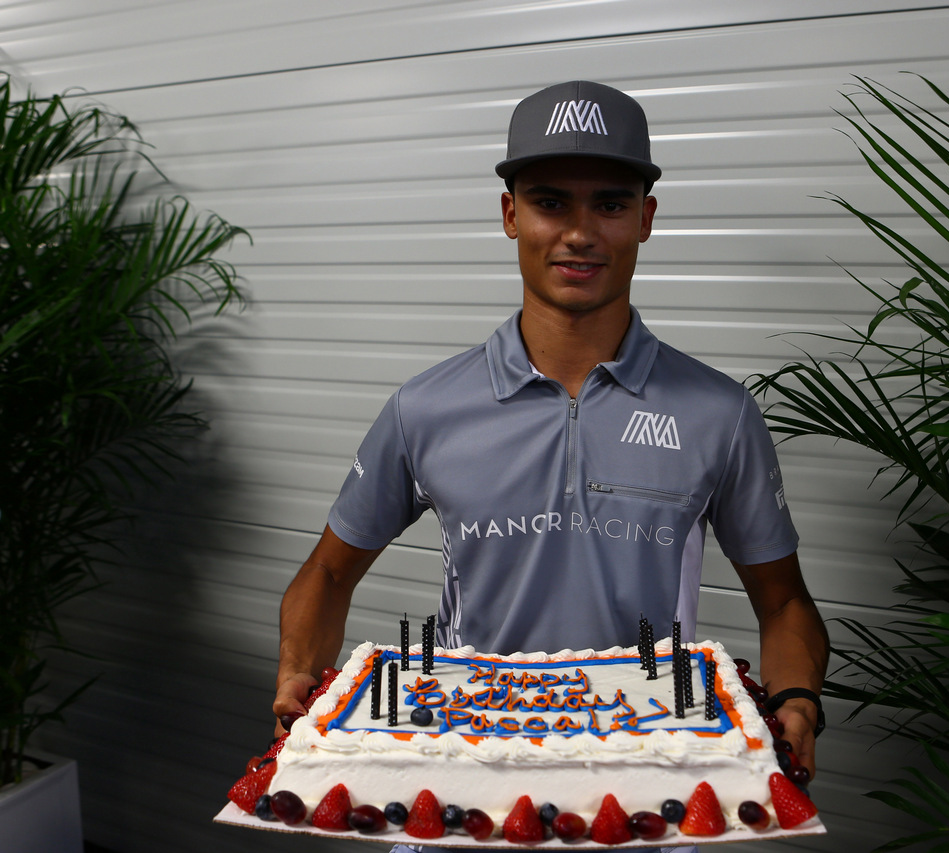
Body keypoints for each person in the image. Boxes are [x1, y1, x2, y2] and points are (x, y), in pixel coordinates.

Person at [271, 81, 830, 844]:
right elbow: (329, 572)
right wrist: (298, 671)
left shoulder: (718, 412)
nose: (579, 232)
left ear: (646, 218)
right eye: (549, 202)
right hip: (460, 786)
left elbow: (784, 601)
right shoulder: (425, 407)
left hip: (647, 792)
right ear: (510, 216)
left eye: (608, 202)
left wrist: (798, 696)